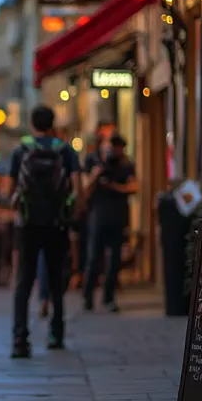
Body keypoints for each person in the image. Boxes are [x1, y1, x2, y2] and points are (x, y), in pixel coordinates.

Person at [8, 106, 83, 358]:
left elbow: (11, 191)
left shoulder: (21, 150)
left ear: (32, 123)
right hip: (56, 224)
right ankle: (56, 335)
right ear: (52, 124)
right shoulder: (65, 150)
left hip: (28, 225)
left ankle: (20, 340)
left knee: (23, 282)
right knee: (55, 280)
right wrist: (70, 214)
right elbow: (77, 189)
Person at [82, 132, 137, 312]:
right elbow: (85, 188)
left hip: (118, 216)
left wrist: (114, 187)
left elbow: (133, 186)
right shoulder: (92, 160)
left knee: (114, 260)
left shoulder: (125, 164)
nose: (115, 151)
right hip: (97, 215)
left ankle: (109, 297)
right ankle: (88, 296)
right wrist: (96, 174)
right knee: (93, 257)